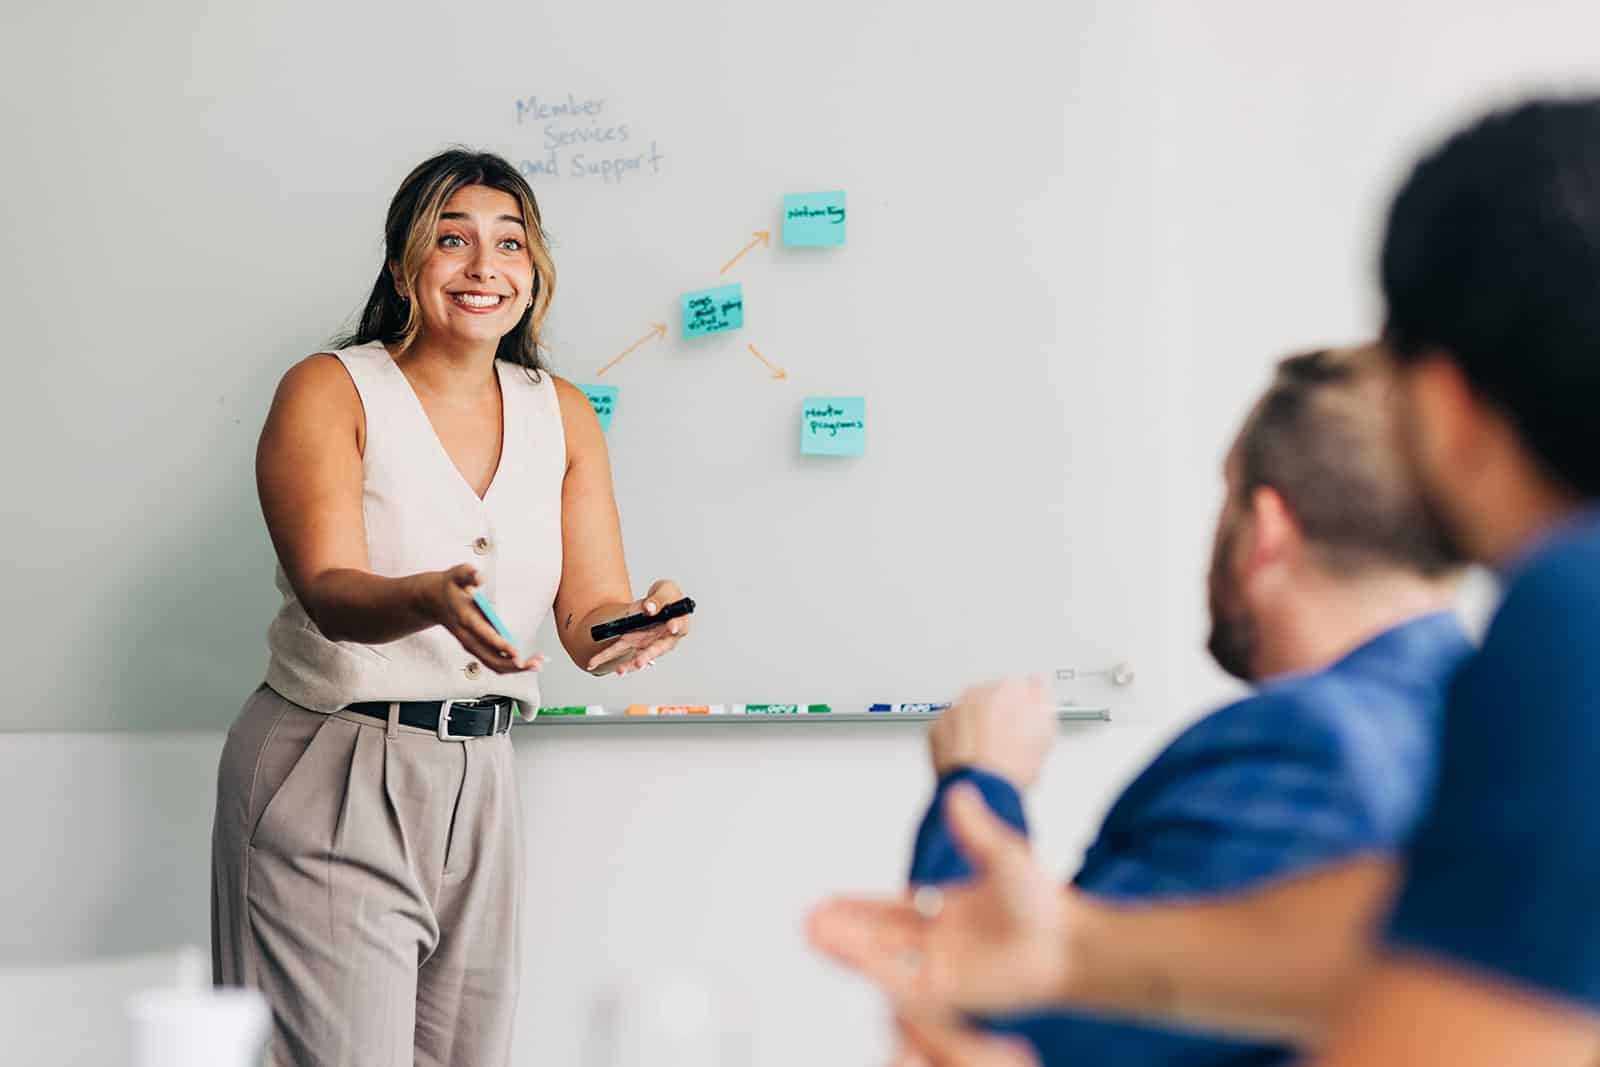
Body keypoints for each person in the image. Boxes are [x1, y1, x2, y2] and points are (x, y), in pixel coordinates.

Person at [807, 96, 1600, 1067]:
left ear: (1441, 401)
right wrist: (1073, 945)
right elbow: (1451, 910)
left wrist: (983, 797)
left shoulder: (1569, 616)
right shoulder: (1493, 682)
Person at [210, 149, 694, 1066]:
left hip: (484, 776)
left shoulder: (564, 412)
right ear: (402, 268)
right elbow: (329, 591)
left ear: (534, 271)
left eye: (510, 243)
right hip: (334, 761)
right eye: (452, 240)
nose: (484, 266)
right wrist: (428, 597)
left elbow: (588, 617)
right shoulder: (330, 388)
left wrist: (639, 622)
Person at [897, 347, 1470, 1066]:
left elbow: (992, 1022)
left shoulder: (1307, 749)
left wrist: (979, 782)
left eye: (1226, 495)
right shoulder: (1485, 726)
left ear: (1266, 530)